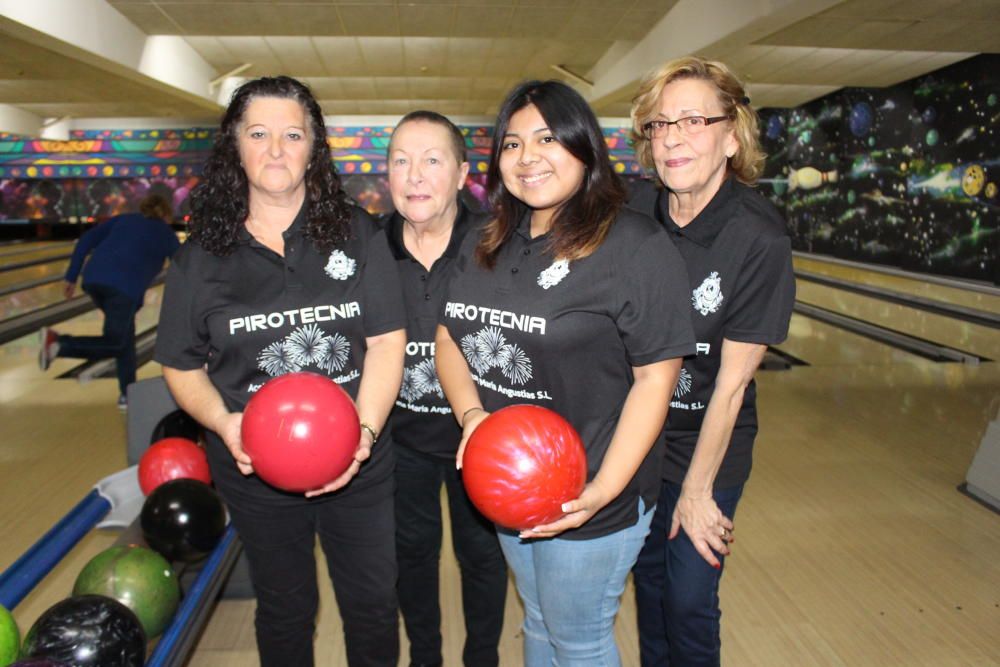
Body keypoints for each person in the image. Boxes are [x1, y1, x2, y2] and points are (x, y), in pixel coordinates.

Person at [435, 80, 696, 666]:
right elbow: (450, 336)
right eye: (512, 143)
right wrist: (473, 416)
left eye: (548, 138)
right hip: (509, 480)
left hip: (591, 487)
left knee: (578, 639)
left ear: (584, 147)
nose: (527, 158)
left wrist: (602, 491)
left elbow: (657, 380)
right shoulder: (484, 239)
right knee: (540, 623)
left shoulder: (634, 245)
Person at [153, 76, 406, 667]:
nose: (275, 150)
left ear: (313, 148)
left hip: (361, 462)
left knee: (371, 603)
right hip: (253, 468)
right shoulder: (201, 256)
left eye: (292, 135)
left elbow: (388, 343)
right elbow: (181, 364)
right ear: (234, 146)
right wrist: (225, 423)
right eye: (259, 133)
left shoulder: (355, 231)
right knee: (285, 606)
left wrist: (362, 438)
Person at [628, 56, 796, 666]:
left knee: (690, 595)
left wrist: (698, 492)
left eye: (694, 121)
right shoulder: (635, 215)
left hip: (712, 439)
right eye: (660, 123)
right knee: (649, 584)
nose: (673, 137)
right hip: (641, 436)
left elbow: (730, 387)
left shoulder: (758, 238)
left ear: (732, 136)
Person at [382, 110, 508, 667]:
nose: (415, 176)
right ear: (386, 174)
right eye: (401, 161)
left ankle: (482, 657)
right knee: (412, 556)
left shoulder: (498, 245)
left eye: (432, 161)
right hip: (401, 439)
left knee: (482, 555)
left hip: (479, 436)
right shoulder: (369, 249)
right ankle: (425, 657)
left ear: (461, 174)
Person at [38, 193, 179, 408]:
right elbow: (182, 266)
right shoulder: (166, 233)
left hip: (94, 279)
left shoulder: (124, 219)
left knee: (124, 339)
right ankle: (59, 344)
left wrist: (71, 276)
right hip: (123, 289)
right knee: (116, 343)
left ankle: (127, 394)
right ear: (166, 214)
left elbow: (86, 240)